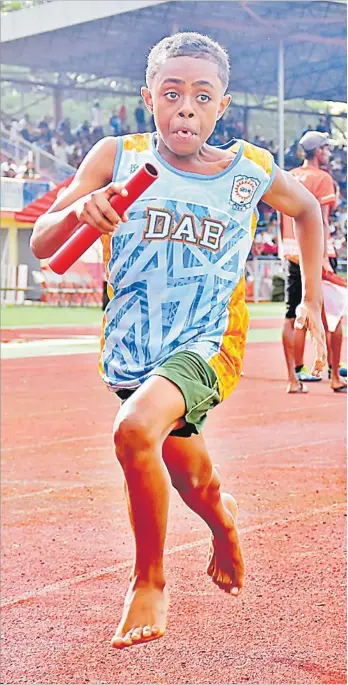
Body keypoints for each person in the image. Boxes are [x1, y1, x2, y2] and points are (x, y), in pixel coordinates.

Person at [30, 32, 326, 649]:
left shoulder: (249, 171)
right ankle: (223, 524)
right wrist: (81, 210)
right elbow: (43, 243)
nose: (184, 107)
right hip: (133, 348)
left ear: (221, 108)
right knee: (187, 472)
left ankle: (149, 580)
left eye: (200, 95)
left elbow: (307, 212)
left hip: (208, 343)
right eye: (171, 93)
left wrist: (311, 299)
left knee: (135, 431)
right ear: (148, 99)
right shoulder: (116, 158)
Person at [281, 130, 346, 393]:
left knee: (292, 315)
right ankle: (334, 376)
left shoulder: (290, 176)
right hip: (317, 252)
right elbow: (322, 220)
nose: (329, 153)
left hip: (291, 251)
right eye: (326, 149)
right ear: (318, 152)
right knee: (333, 315)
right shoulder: (323, 179)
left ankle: (294, 378)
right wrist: (323, 257)